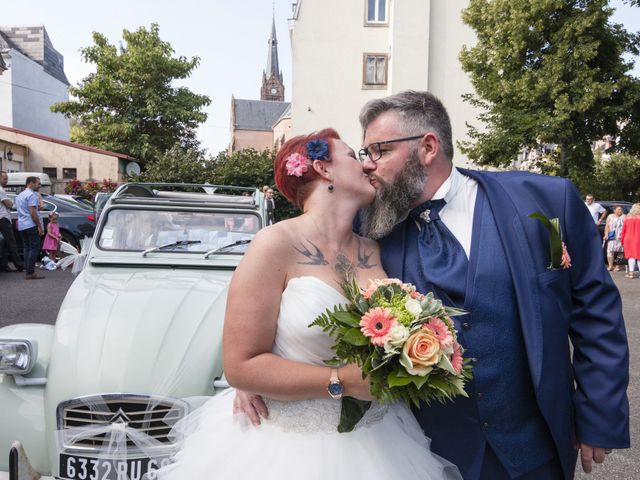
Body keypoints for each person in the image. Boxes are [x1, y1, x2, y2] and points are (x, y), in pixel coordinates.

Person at [237, 92, 629, 480]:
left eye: (379, 151)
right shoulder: (362, 228)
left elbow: (595, 311)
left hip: (533, 446)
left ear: (427, 147)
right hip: (424, 451)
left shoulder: (543, 203)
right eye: (363, 154)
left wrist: (599, 414)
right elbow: (292, 290)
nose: (369, 166)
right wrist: (259, 377)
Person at [156, 130, 461, 480]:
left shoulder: (376, 247)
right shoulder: (274, 244)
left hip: (381, 438)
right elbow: (240, 365)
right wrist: (340, 381)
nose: (365, 164)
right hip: (286, 448)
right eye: (351, 155)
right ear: (323, 168)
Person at [15, 176, 44, 280]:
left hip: (22, 225)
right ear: (31, 183)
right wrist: (39, 226)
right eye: (38, 183)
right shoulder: (32, 195)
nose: (39, 186)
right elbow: (33, 212)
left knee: (27, 248)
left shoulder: (20, 195)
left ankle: (28, 271)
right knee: (33, 248)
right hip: (31, 224)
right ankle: (30, 272)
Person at [0, 171, 24, 272]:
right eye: (5, 178)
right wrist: (12, 202)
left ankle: (4, 265)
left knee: (3, 243)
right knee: (11, 243)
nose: (7, 181)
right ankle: (20, 265)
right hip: (3, 218)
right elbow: (9, 205)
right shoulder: (1, 190)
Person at [603, 205, 625, 271]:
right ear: (614, 210)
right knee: (610, 251)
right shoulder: (610, 216)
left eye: (621, 209)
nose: (620, 210)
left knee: (621, 251)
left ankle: (618, 266)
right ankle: (610, 266)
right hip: (612, 236)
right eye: (619, 209)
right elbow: (607, 226)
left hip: (621, 237)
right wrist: (606, 234)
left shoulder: (624, 217)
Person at [621, 203, 640, 279]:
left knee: (630, 256)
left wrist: (622, 240)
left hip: (628, 239)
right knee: (639, 257)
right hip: (638, 238)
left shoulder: (627, 217)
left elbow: (623, 231)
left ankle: (631, 273)